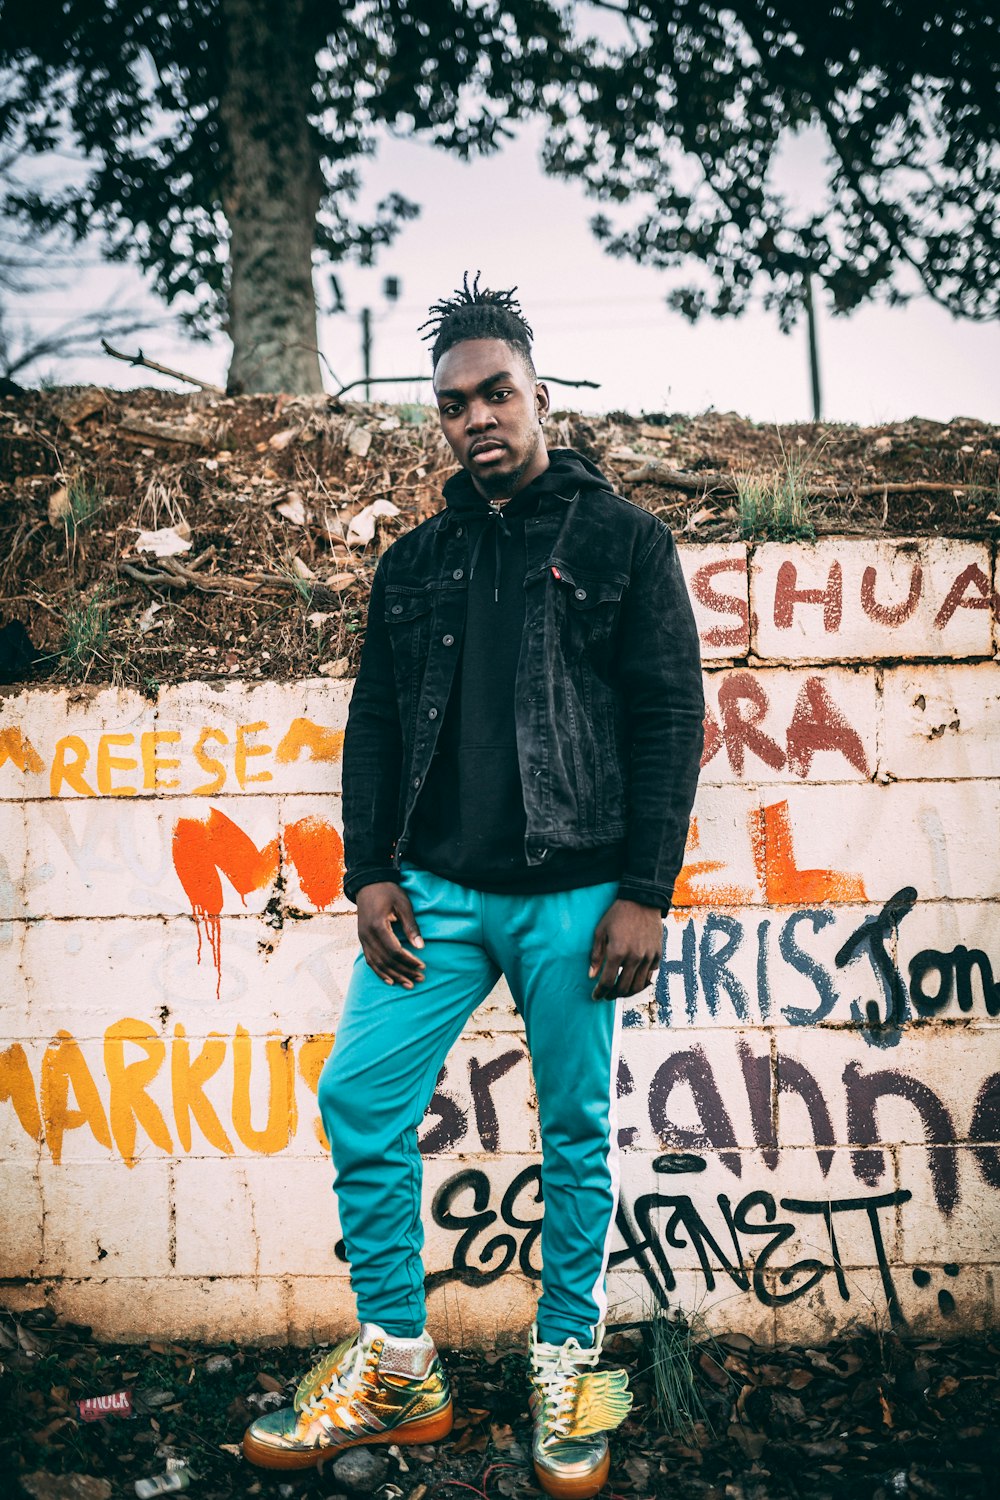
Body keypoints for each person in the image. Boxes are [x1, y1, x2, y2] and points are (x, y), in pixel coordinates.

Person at [243, 274, 705, 1498]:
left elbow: (668, 716)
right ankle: (400, 1366)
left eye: (496, 392)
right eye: (453, 405)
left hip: (576, 896)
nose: (475, 418)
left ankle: (573, 1370)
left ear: (540, 395)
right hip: (435, 895)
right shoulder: (418, 563)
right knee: (358, 1098)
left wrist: (643, 889)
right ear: (440, 422)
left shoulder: (622, 541)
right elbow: (376, 726)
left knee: (574, 1133)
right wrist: (370, 874)